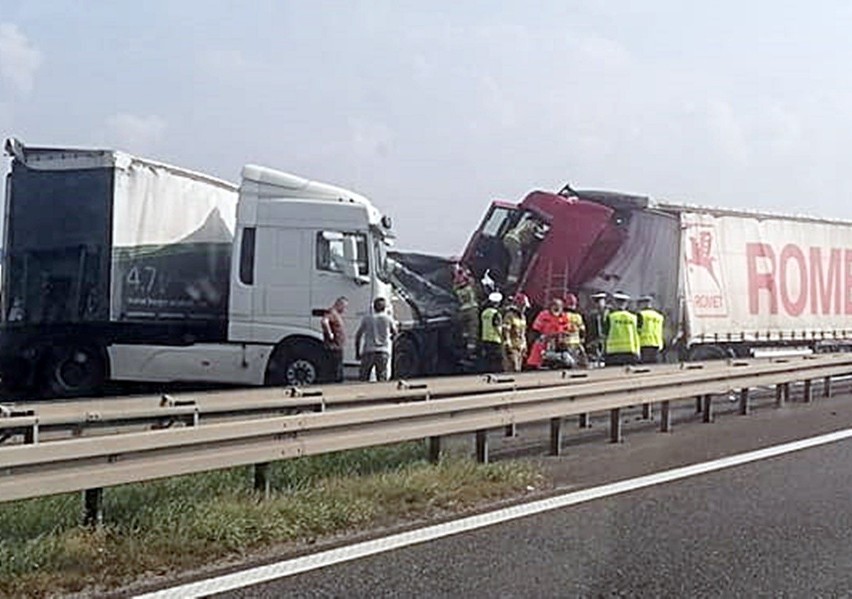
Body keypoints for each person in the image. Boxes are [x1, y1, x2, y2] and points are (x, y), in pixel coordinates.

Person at [355, 297, 398, 382]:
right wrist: (391, 337)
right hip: (383, 351)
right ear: (385, 307)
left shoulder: (367, 318)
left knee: (364, 377)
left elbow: (358, 335)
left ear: (373, 307)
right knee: (382, 377)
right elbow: (395, 332)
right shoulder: (388, 319)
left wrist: (357, 352)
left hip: (369, 350)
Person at [526, 297, 570, 369]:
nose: (556, 308)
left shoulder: (564, 317)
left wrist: (562, 337)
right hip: (544, 343)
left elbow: (567, 330)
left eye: (558, 307)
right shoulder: (543, 315)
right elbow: (535, 330)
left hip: (559, 344)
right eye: (554, 306)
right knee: (536, 361)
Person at [503, 218, 545, 285]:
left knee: (514, 257)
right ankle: (512, 279)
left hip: (510, 238)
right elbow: (537, 232)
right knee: (517, 258)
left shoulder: (525, 222)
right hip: (514, 239)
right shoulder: (531, 223)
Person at [604, 291, 640, 366]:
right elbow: (638, 333)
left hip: (613, 353)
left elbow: (605, 333)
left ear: (615, 302)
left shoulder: (610, 317)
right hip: (630, 352)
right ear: (626, 304)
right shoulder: (634, 317)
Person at [453, 264, 480, 359]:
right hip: (472, 309)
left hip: (462, 311)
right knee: (473, 330)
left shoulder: (456, 289)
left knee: (464, 331)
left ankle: (463, 349)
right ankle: (471, 352)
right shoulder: (470, 286)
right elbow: (473, 282)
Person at [321, 296, 348, 382]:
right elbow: (324, 321)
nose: (344, 309)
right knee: (334, 369)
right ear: (339, 304)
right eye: (344, 306)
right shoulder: (332, 312)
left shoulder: (337, 314)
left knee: (338, 367)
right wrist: (330, 333)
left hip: (338, 346)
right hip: (333, 346)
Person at [501, 297, 528, 372]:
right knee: (512, 367)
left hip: (520, 346)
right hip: (512, 346)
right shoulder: (509, 316)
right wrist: (508, 344)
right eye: (523, 306)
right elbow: (505, 331)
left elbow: (523, 332)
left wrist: (524, 344)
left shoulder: (523, 317)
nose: (524, 308)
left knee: (518, 369)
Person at [636, 295, 665, 364]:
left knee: (644, 366)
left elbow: (637, 330)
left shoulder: (640, 315)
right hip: (657, 344)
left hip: (644, 344)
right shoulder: (659, 316)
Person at [480, 291, 504, 372]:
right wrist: (502, 339)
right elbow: (497, 327)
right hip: (495, 340)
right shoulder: (496, 314)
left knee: (487, 360)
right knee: (496, 361)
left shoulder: (484, 312)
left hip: (485, 339)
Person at [584, 291, 609, 364]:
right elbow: (590, 332)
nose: (598, 303)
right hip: (597, 347)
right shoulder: (592, 316)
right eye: (596, 301)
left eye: (600, 300)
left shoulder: (610, 314)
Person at [563, 293, 588, 367]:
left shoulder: (562, 316)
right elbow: (582, 331)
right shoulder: (578, 317)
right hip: (576, 343)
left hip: (565, 344)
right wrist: (582, 340)